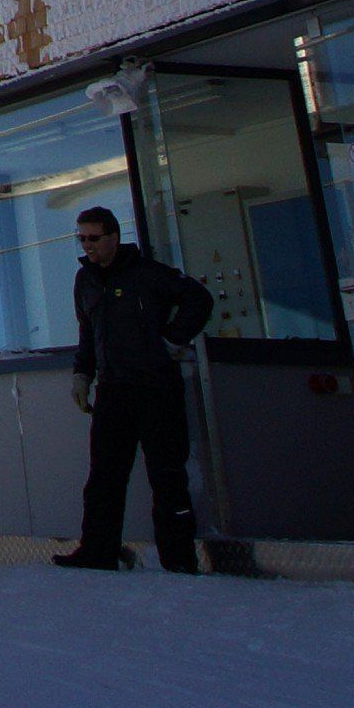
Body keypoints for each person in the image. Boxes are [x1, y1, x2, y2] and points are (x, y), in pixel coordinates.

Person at [56, 206, 213, 573]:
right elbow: (88, 332)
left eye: (94, 238)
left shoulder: (148, 274)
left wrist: (172, 340)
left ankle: (179, 559)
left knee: (167, 475)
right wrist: (82, 374)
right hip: (113, 390)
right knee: (104, 476)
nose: (87, 245)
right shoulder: (86, 280)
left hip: (156, 387)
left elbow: (199, 299)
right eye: (81, 238)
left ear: (113, 237)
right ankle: (97, 551)